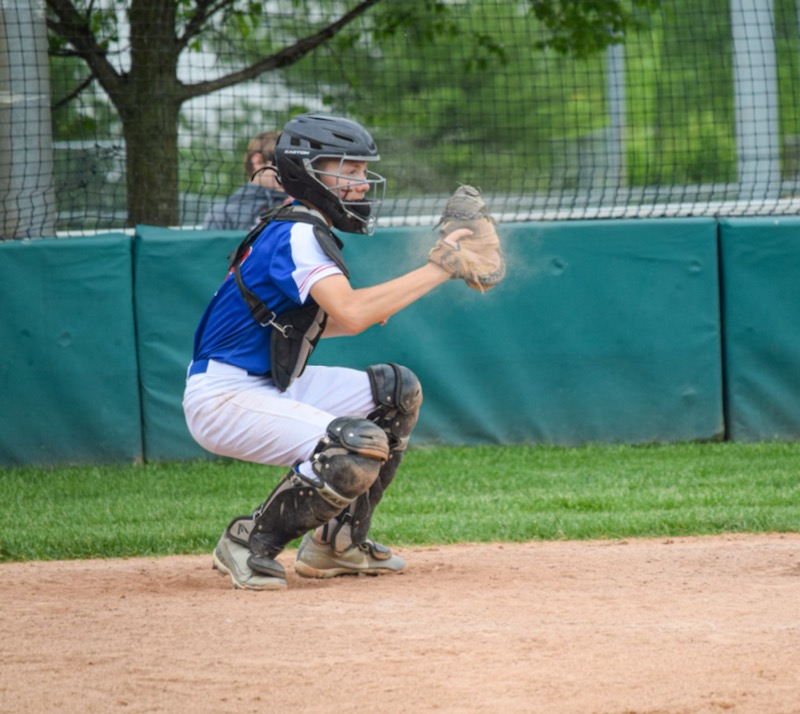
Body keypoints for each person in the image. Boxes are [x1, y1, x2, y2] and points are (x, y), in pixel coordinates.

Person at [183, 113, 464, 591]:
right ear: (307, 171)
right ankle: (249, 541)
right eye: (348, 170)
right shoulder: (297, 232)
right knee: (355, 445)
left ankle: (338, 543)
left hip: (268, 382)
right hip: (225, 397)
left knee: (396, 391)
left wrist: (387, 299)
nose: (361, 183)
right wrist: (441, 267)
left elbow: (324, 321)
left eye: (362, 170)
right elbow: (353, 314)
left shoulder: (301, 226)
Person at [202, 130, 289, 230]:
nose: (291, 169)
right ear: (258, 161)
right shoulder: (223, 213)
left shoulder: (297, 204)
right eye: (283, 161)